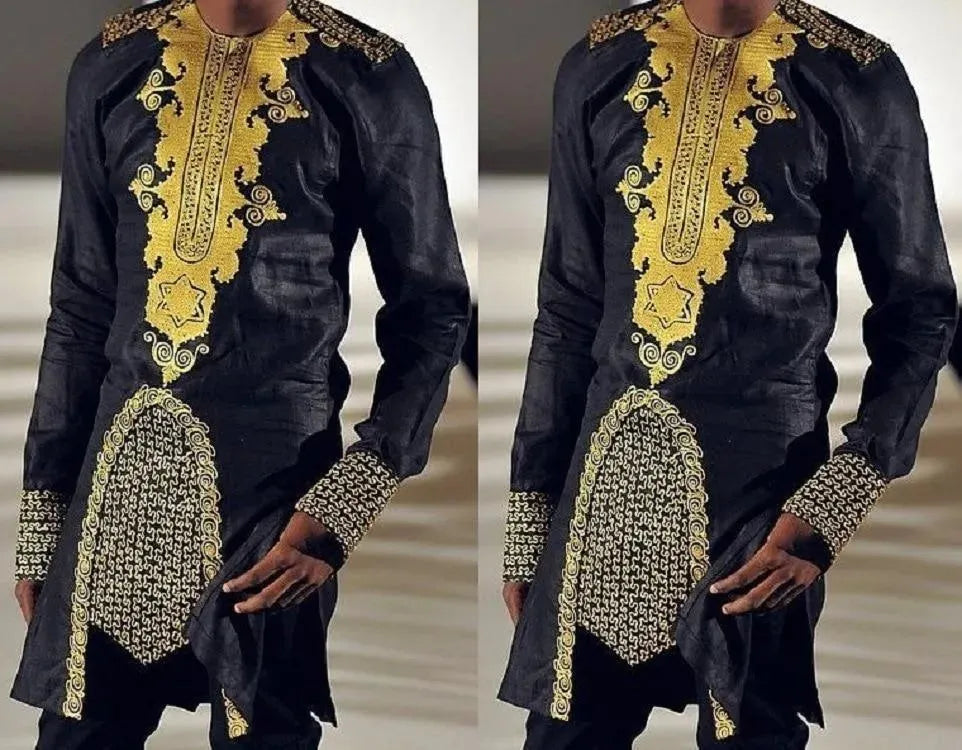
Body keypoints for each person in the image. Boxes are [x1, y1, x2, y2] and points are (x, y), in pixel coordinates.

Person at [499, 0, 956, 747]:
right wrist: (530, 515)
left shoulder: (854, 75)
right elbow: (568, 308)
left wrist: (834, 504)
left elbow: (920, 313)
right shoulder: (601, 61)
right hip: (602, 487)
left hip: (765, 502)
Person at [12, 0, 469, 747]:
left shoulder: (366, 74)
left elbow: (433, 310)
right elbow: (82, 307)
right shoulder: (113, 62)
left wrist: (347, 503)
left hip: (278, 502)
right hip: (119, 485)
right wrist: (44, 515)